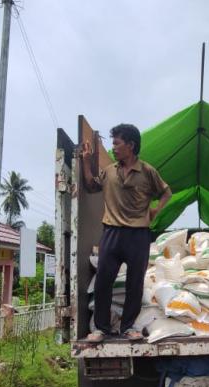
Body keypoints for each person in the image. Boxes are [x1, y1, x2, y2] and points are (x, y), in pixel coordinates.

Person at [80, 123, 172, 342]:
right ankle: (101, 328)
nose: (113, 148)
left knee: (135, 283)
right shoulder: (110, 171)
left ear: (131, 145)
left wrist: (155, 212)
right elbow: (92, 186)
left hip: (138, 235)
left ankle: (128, 327)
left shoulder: (147, 171)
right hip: (111, 233)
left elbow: (166, 193)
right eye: (112, 143)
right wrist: (85, 162)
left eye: (117, 143)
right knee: (103, 281)